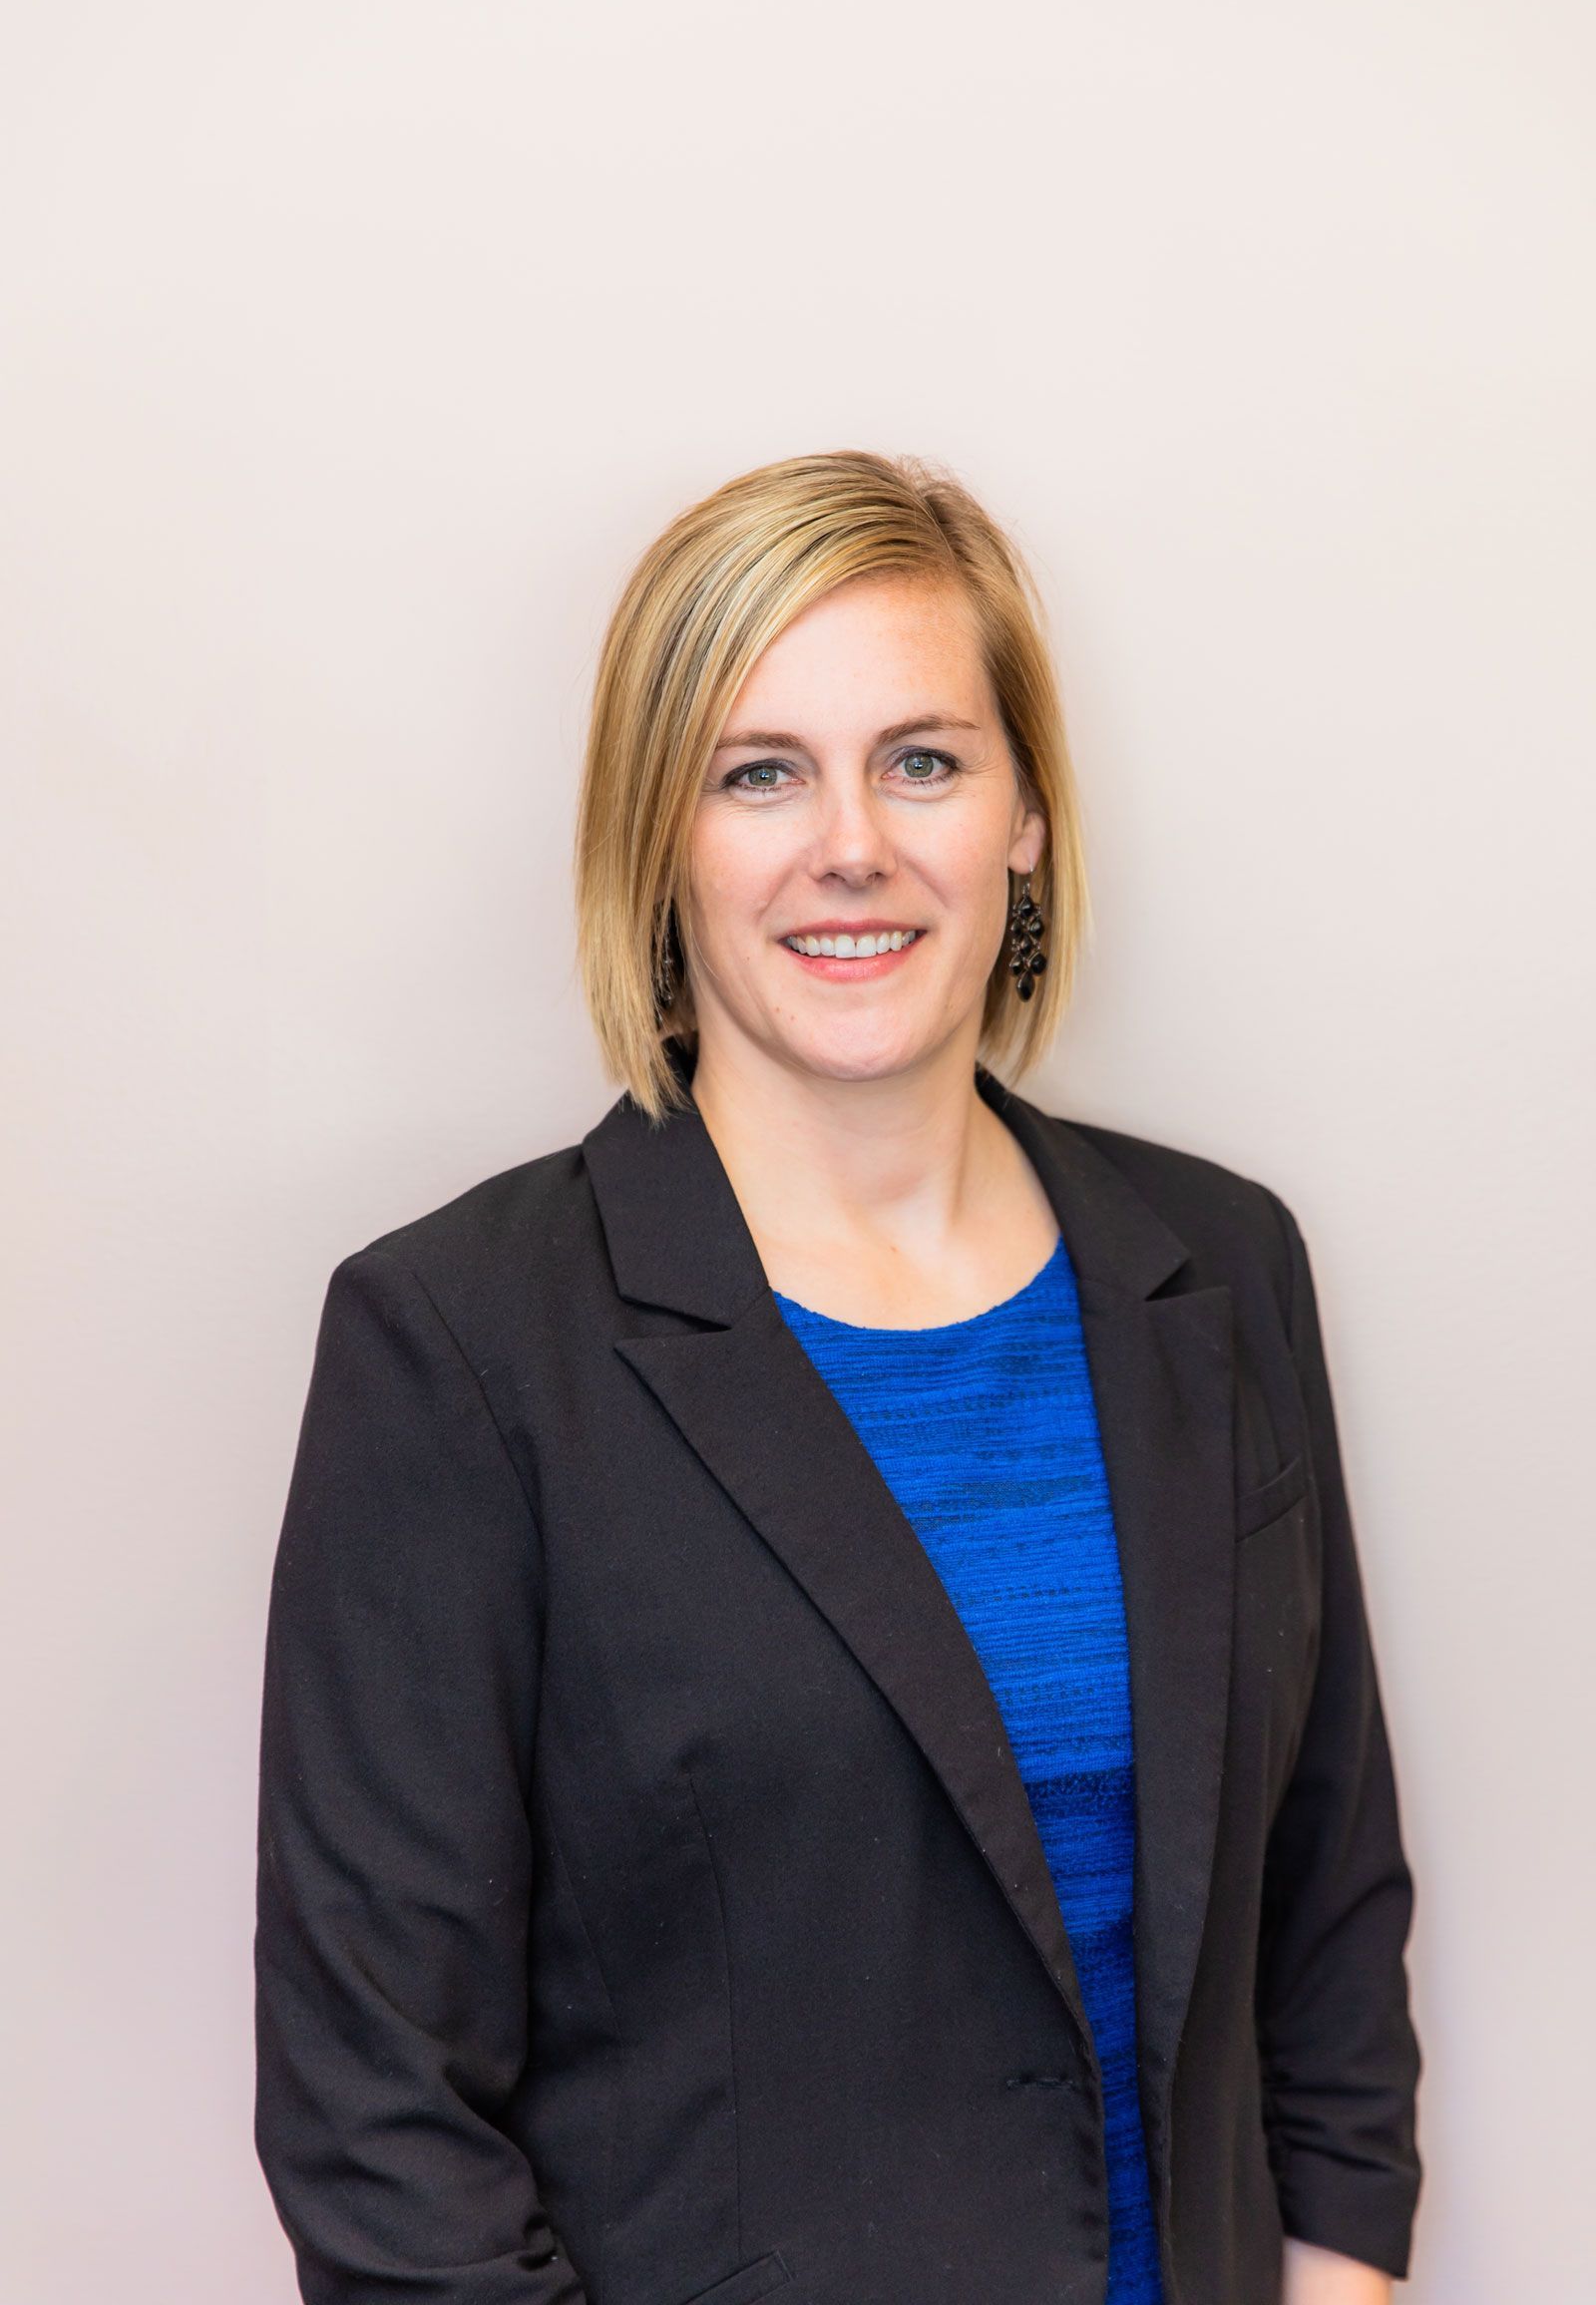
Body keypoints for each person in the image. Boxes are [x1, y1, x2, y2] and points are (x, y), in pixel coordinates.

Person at [254, 450, 1422, 2305]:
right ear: (659, 833)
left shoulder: (1222, 1272)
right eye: (759, 771)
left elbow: (1330, 1914)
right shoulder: (460, 1349)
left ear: (1024, 814)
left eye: (926, 759)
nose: (852, 843)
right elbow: (378, 2122)